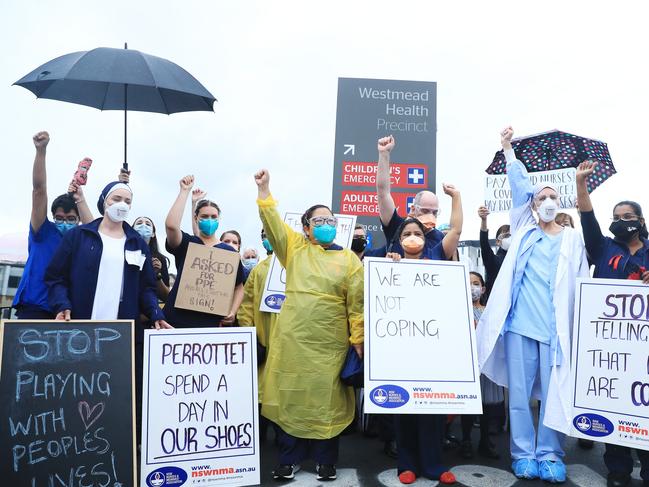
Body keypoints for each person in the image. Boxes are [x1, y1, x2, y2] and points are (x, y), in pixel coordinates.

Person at [477, 127, 589, 484]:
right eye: (541, 197)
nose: (547, 200)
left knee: (555, 394)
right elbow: (519, 184)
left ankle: (551, 454)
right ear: (533, 205)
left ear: (561, 203)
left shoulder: (572, 240)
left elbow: (582, 284)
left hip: (555, 331)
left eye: (553, 196)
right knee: (520, 398)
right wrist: (508, 149)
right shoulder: (524, 228)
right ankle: (523, 455)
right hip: (519, 328)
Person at [254, 168, 363, 482]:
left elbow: (356, 305)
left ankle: (325, 461)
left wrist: (358, 337)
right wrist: (265, 191)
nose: (327, 225)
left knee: (327, 402)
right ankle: (289, 459)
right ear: (305, 227)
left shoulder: (350, 261)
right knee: (291, 398)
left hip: (330, 346)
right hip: (294, 343)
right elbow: (273, 226)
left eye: (331, 221)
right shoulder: (295, 249)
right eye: (320, 221)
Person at [576, 161, 649, 487]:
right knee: (613, 401)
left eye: (628, 217)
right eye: (616, 218)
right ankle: (617, 470)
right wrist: (581, 184)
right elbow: (587, 217)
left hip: (644, 344)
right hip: (611, 346)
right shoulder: (602, 247)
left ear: (641, 221)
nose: (621, 222)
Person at [385, 181, 462, 486]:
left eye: (418, 233)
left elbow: (455, 230)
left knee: (431, 408)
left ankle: (432, 465)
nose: (414, 237)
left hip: (433, 347)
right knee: (403, 407)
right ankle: (407, 464)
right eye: (407, 233)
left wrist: (456, 197)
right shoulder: (390, 263)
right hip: (400, 348)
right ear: (399, 240)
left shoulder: (439, 254)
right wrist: (390, 268)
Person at [45, 180, 169, 328]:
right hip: (78, 326)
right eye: (116, 199)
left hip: (122, 332)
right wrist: (62, 304)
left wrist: (155, 313)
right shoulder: (78, 236)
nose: (122, 204)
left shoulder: (138, 244)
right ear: (104, 201)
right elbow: (56, 277)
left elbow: (147, 287)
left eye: (127, 201)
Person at [13, 131, 95, 319]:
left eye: (70, 219)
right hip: (34, 309)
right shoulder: (43, 232)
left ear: (78, 220)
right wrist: (41, 151)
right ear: (52, 217)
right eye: (59, 218)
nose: (64, 223)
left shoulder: (81, 238)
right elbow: (38, 191)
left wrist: (79, 199)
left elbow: (96, 232)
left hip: (68, 311)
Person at [164, 175, 245, 328]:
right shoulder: (187, 243)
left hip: (211, 323)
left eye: (214, 217)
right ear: (196, 218)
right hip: (176, 321)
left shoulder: (230, 253)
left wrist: (233, 312)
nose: (209, 220)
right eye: (204, 216)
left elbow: (239, 287)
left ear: (219, 219)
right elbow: (171, 226)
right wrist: (184, 191)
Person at [237, 229, 278, 442]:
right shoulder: (259, 270)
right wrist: (249, 335)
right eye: (264, 234)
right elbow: (246, 306)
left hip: (291, 346)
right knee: (261, 397)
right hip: (263, 341)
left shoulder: (297, 266)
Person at [459, 272, 502, 460]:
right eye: (468, 283)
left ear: (483, 289)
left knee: (489, 407)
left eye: (476, 283)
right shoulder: (458, 311)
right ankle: (466, 441)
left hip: (488, 364)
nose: (472, 287)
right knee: (468, 405)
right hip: (467, 364)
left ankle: (487, 443)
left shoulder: (490, 312)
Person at [376, 135, 444, 253]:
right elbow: (383, 193)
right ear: (413, 208)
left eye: (435, 212)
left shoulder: (440, 239)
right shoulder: (397, 227)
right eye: (425, 211)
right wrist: (384, 154)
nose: (430, 215)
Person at [133, 216, 170, 302]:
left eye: (148, 224)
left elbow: (166, 297)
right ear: (132, 230)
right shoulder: (124, 253)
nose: (143, 226)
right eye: (139, 223)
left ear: (153, 233)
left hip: (148, 310)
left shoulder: (160, 259)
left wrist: (157, 275)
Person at [478, 206, 511, 302]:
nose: (510, 238)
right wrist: (484, 220)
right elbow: (484, 245)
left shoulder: (520, 259)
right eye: (506, 235)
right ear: (498, 241)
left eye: (512, 235)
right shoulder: (493, 260)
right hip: (496, 305)